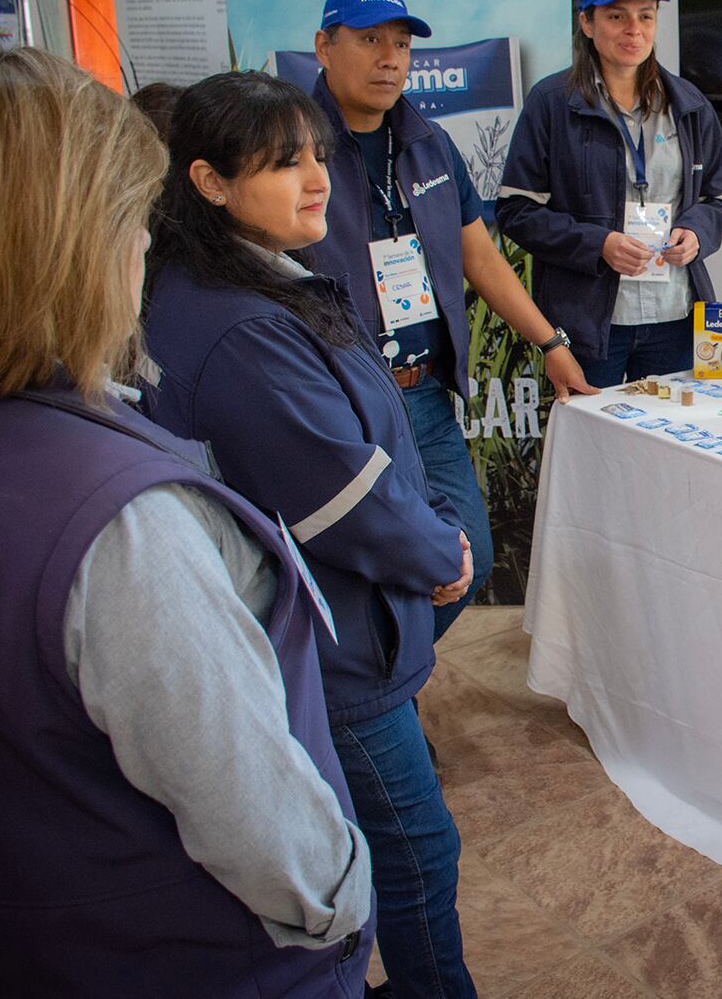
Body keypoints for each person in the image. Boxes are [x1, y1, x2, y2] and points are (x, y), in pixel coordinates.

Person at [0, 45, 373, 997]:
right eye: (129, 222)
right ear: (59, 244)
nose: (145, 247)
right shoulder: (121, 527)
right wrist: (344, 898)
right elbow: (262, 826)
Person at [141, 71, 477, 999]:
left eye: (316, 156)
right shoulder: (242, 328)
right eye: (284, 162)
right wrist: (437, 553)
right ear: (209, 182)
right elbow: (341, 498)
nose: (316, 179)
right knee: (416, 854)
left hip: (313, 637)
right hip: (336, 656)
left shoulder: (235, 282)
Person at [310, 0, 595, 616]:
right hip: (340, 401)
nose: (390, 58)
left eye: (403, 44)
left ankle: (386, 684)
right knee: (361, 567)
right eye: (370, 40)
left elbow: (481, 257)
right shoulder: (293, 148)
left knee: (469, 555)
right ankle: (372, 699)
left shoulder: (428, 143)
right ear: (324, 47)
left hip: (425, 396)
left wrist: (549, 341)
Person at [498, 0, 722, 386]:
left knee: (672, 443)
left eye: (645, 16)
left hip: (675, 316)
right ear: (587, 23)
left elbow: (719, 199)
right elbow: (516, 211)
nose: (634, 30)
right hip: (591, 324)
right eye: (616, 16)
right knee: (595, 445)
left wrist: (697, 233)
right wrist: (598, 244)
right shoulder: (552, 103)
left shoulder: (689, 105)